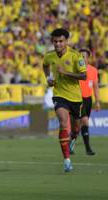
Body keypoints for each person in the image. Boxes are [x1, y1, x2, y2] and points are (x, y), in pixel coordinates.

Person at [43, 28, 86, 172]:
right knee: (63, 122)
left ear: (66, 41)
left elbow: (83, 76)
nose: (58, 44)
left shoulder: (76, 56)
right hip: (59, 95)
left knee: (75, 128)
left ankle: (74, 138)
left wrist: (65, 73)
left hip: (75, 97)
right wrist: (48, 78)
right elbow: (45, 66)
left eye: (61, 41)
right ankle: (67, 160)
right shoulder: (49, 56)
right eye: (55, 41)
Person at [70, 48, 100, 155]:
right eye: (80, 56)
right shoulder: (75, 70)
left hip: (88, 100)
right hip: (77, 99)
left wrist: (97, 101)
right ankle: (88, 149)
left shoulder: (93, 70)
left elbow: (95, 87)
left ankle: (71, 144)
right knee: (85, 121)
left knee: (78, 126)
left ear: (88, 58)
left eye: (84, 56)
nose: (82, 58)